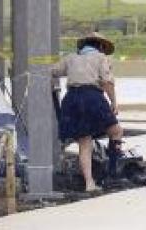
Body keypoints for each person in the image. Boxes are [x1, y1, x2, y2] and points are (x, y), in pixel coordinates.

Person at [51, 32, 124, 192]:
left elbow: (52, 71)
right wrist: (114, 102)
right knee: (116, 131)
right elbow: (107, 82)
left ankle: (89, 183)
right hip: (92, 97)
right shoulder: (101, 58)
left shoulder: (70, 58)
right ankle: (113, 172)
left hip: (71, 99)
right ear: (100, 46)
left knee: (85, 142)